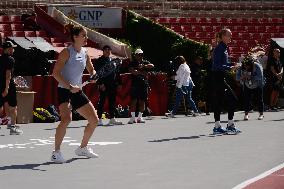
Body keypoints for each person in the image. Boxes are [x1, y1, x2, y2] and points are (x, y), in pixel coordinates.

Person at [51, 24, 99, 163]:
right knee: (66, 119)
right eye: (84, 35)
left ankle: (82, 148)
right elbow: (55, 73)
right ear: (75, 37)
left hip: (78, 90)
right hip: (64, 90)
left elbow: (91, 70)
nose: (86, 38)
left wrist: (94, 75)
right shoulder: (66, 52)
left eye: (86, 35)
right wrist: (69, 86)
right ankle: (56, 152)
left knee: (94, 120)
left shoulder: (85, 52)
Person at [211, 28, 241, 135]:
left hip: (220, 77)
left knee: (220, 102)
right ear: (223, 36)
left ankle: (218, 126)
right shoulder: (219, 48)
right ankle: (229, 125)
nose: (230, 37)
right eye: (229, 35)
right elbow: (217, 65)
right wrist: (230, 68)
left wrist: (232, 65)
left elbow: (224, 63)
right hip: (217, 77)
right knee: (232, 99)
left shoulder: (224, 48)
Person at [95, 45, 122, 126]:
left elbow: (117, 72)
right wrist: (100, 83)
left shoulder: (113, 61)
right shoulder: (99, 60)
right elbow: (97, 73)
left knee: (112, 102)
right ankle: (99, 119)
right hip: (103, 84)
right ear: (103, 51)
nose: (107, 51)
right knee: (102, 102)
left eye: (109, 50)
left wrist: (119, 83)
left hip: (112, 84)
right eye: (106, 50)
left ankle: (112, 119)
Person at [0, 41, 23, 135]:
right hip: (8, 86)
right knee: (13, 107)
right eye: (12, 48)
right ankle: (12, 128)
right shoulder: (11, 59)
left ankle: (9, 124)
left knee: (1, 106)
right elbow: (8, 75)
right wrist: (7, 88)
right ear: (8, 49)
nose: (13, 50)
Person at [128, 48, 154, 124]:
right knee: (134, 101)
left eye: (141, 54)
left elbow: (152, 65)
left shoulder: (145, 62)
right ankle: (132, 118)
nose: (140, 56)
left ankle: (140, 117)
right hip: (135, 84)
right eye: (139, 55)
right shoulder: (132, 63)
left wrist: (143, 66)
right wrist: (142, 73)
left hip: (144, 84)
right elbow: (133, 72)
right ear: (135, 55)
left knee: (142, 101)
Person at [236, 56, 265, 120]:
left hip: (257, 84)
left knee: (259, 99)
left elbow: (260, 77)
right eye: (245, 65)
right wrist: (242, 77)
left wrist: (251, 77)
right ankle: (246, 114)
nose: (246, 67)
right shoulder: (242, 66)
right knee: (246, 99)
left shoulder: (257, 66)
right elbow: (237, 77)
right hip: (247, 85)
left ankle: (261, 114)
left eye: (248, 66)